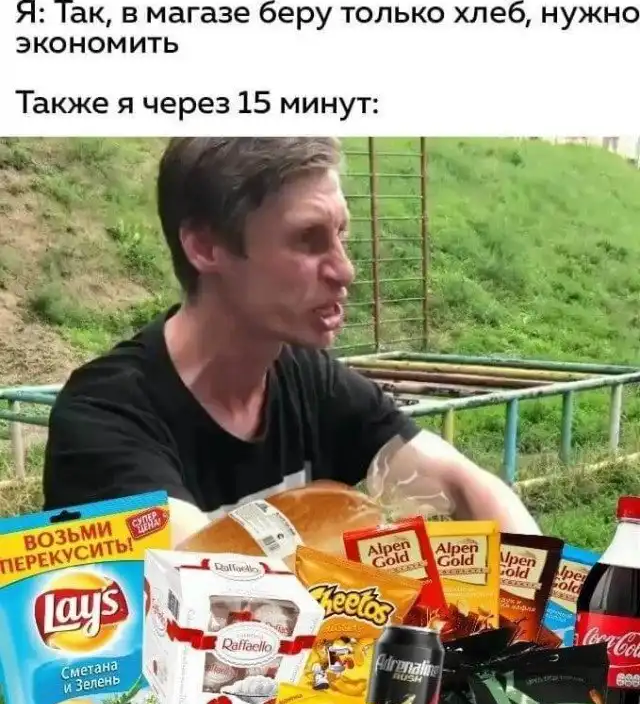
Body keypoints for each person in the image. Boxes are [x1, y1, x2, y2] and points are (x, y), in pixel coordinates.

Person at [42, 137, 541, 546]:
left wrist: (543, 607)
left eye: (341, 234)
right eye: (308, 239)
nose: (344, 270)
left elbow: (461, 484)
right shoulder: (105, 420)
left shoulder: (308, 378)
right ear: (205, 246)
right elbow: (207, 581)